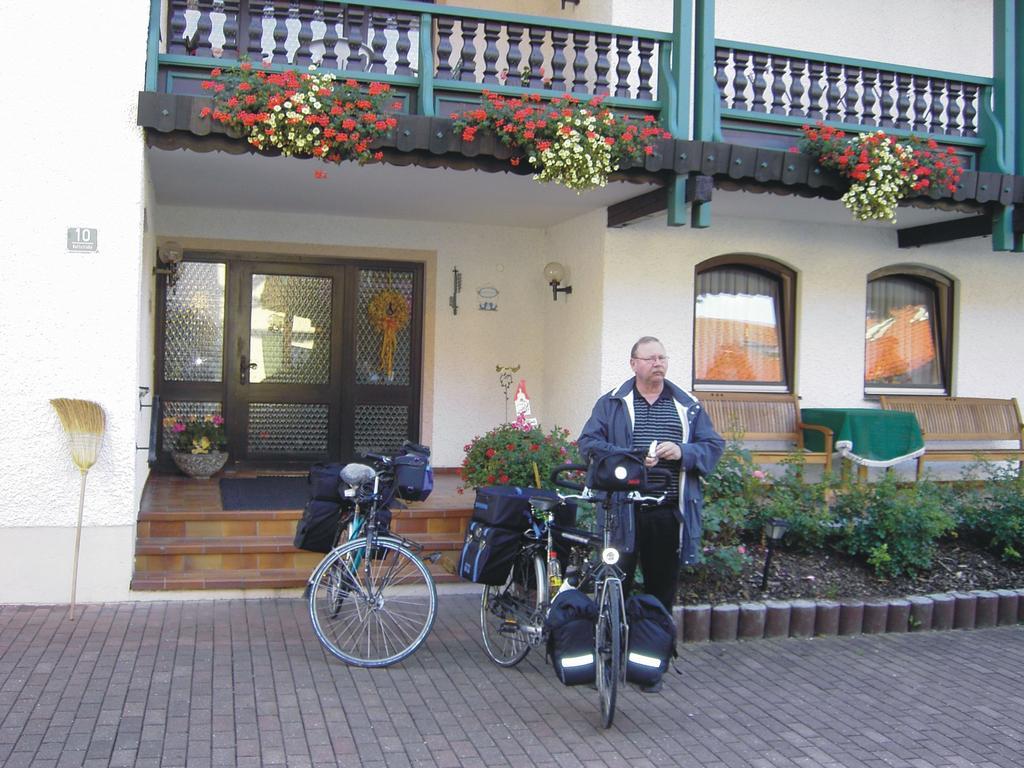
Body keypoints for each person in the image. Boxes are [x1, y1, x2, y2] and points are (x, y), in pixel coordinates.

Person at [578, 336, 724, 663]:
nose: (658, 364)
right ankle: (610, 659)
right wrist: (631, 456)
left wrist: (683, 452)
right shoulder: (612, 403)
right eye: (650, 358)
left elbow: (713, 447)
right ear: (634, 364)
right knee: (615, 587)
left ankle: (651, 665)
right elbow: (588, 444)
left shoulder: (687, 405)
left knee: (660, 593)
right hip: (620, 512)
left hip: (666, 512)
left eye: (662, 358)